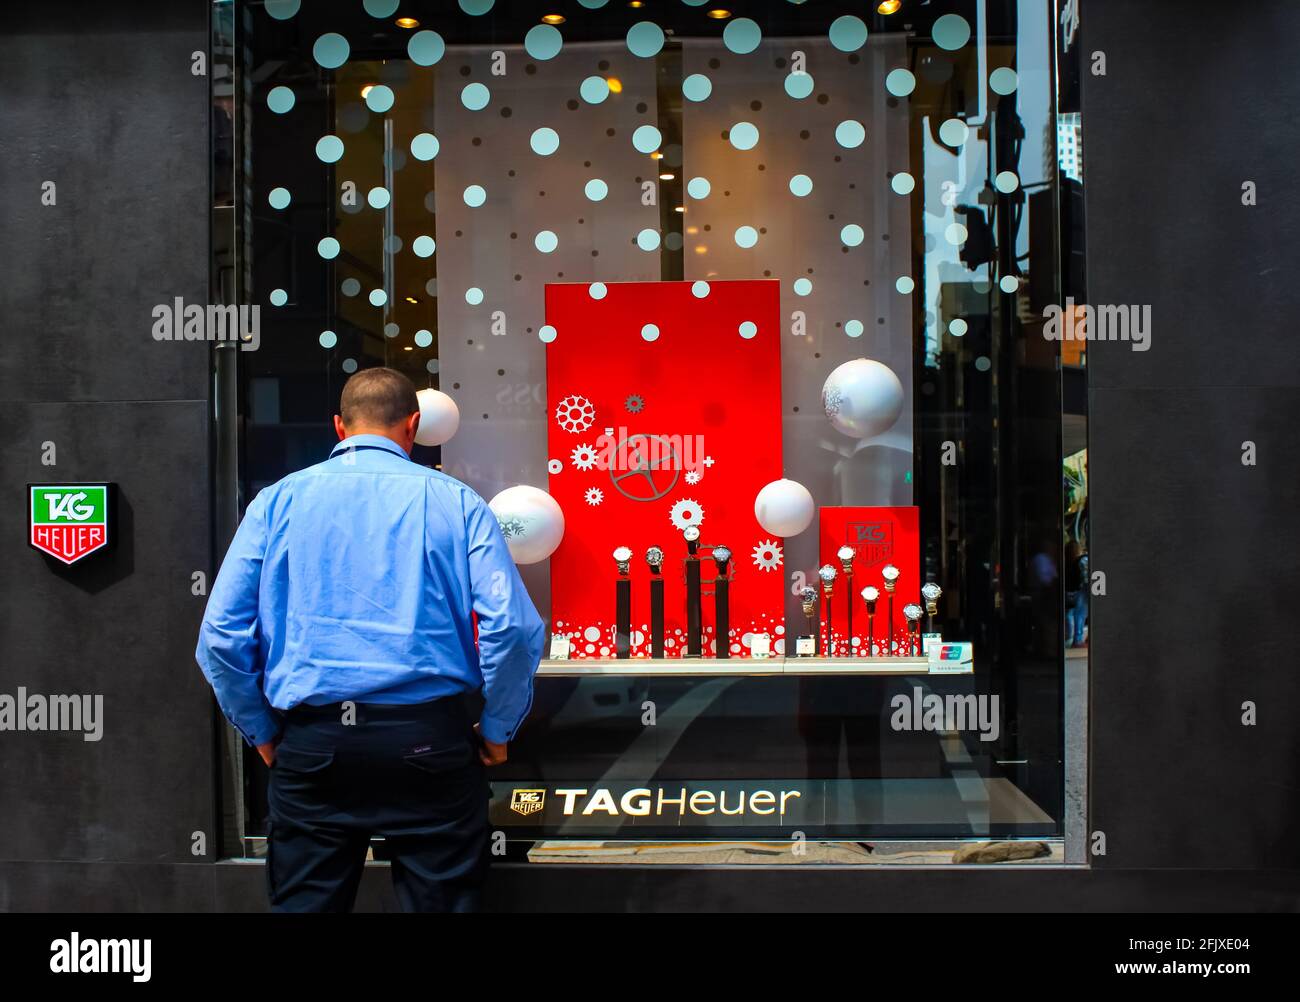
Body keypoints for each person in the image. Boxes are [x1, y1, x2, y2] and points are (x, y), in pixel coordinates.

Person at [195, 367, 545, 912]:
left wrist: (261, 730)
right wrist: (498, 727)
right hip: (430, 739)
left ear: (339, 427)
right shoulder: (457, 502)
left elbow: (220, 637)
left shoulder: (276, 502)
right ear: (413, 425)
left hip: (314, 744)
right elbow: (513, 629)